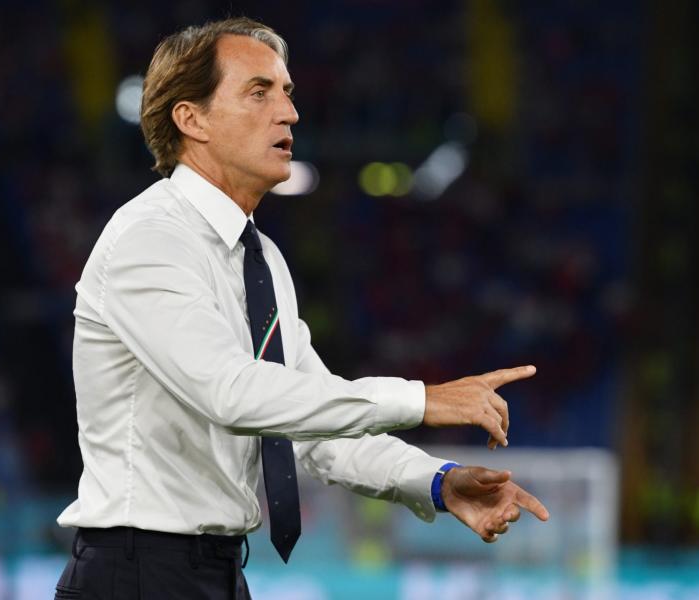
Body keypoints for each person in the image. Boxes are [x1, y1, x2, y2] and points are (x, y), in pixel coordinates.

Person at [55, 17, 550, 600]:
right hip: (135, 575)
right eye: (258, 92)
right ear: (191, 120)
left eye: (287, 93)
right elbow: (232, 393)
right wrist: (421, 399)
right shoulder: (151, 238)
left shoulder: (260, 258)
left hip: (212, 574)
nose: (288, 113)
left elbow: (314, 434)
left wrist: (438, 483)